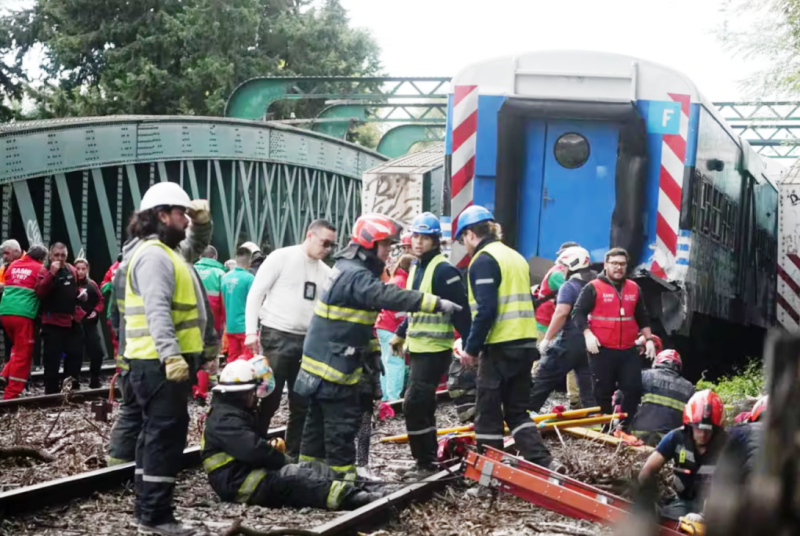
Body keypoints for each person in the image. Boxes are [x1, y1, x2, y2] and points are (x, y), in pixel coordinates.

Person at [293, 213, 462, 480]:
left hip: (322, 363)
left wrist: (372, 353)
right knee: (340, 429)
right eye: (385, 244)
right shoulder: (356, 275)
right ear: (369, 243)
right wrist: (435, 303)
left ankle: (309, 477)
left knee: (316, 428)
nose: (388, 250)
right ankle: (343, 485)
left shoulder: (346, 267)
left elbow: (358, 323)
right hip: (333, 368)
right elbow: (386, 294)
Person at [119, 181, 211, 536]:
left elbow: (195, 244)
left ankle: (146, 511)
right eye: (181, 214)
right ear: (161, 216)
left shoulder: (166, 251)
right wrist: (172, 356)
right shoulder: (155, 256)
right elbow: (156, 309)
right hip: (159, 363)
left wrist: (202, 223)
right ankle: (156, 517)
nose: (186, 220)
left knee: (153, 435)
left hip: (152, 362)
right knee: (165, 437)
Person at [202, 358, 385, 511]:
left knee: (311, 468)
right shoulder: (224, 420)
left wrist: (280, 457)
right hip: (241, 484)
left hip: (248, 473)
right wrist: (283, 460)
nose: (256, 397)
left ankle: (367, 485)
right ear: (242, 394)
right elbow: (253, 450)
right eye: (253, 392)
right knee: (298, 479)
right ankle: (356, 498)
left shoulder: (233, 412)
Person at [455, 206, 554, 470]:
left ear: (470, 234)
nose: (465, 246)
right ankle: (545, 463)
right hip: (525, 344)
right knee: (517, 411)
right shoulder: (515, 257)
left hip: (500, 346)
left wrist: (471, 348)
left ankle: (489, 475)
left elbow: (486, 310)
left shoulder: (483, 260)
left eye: (463, 239)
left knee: (487, 414)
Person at [243, 220, 337, 458]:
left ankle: (292, 455)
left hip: (307, 341)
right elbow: (256, 293)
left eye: (331, 245)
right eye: (324, 243)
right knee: (268, 397)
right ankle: (255, 448)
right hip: (277, 334)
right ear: (309, 235)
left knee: (301, 402)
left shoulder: (326, 272)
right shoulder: (281, 257)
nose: (327, 249)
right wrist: (250, 332)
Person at [390, 212, 472, 479]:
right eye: (416, 236)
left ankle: (425, 463)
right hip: (419, 347)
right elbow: (417, 306)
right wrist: (401, 332)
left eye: (425, 238)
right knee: (421, 405)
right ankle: (423, 461)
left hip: (434, 349)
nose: (418, 242)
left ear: (436, 241)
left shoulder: (443, 270)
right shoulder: (417, 267)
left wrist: (472, 346)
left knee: (415, 403)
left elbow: (461, 311)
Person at [572, 247, 657, 427]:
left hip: (628, 349)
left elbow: (642, 316)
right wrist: (587, 334)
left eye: (622, 264)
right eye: (615, 263)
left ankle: (624, 425)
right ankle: (606, 427)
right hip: (602, 350)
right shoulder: (593, 287)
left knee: (633, 389)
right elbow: (577, 313)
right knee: (602, 391)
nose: (619, 267)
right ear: (606, 264)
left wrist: (649, 339)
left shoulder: (634, 288)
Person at [638, 389, 728, 521]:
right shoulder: (675, 437)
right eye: (698, 428)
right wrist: (646, 499)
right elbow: (648, 470)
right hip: (682, 502)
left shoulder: (727, 445)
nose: (703, 434)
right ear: (689, 425)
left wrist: (705, 515)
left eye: (708, 430)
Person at [529, 246, 598, 414]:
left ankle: (524, 413)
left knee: (544, 376)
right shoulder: (596, 284)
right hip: (591, 341)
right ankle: (593, 417)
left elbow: (561, 313)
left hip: (570, 340)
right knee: (587, 384)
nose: (562, 269)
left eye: (565, 266)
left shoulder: (569, 286)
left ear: (574, 264)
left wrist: (547, 339)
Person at [532, 241, 580, 408]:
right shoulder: (559, 275)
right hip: (547, 322)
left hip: (550, 321)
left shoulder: (557, 271)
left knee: (561, 360)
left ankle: (574, 398)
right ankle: (530, 394)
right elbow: (575, 293)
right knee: (541, 360)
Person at [36, 242, 86, 394]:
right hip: (52, 321)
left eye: (63, 255)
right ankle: (51, 391)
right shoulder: (44, 270)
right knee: (52, 358)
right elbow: (40, 292)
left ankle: (70, 388)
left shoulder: (71, 269)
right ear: (50, 256)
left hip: (71, 320)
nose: (60, 258)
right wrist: (52, 273)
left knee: (75, 354)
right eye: (56, 255)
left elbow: (75, 288)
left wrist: (81, 294)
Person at [0, 245, 47, 398]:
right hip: (23, 314)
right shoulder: (40, 269)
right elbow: (43, 290)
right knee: (24, 355)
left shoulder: (13, 265)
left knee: (17, 348)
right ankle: (11, 393)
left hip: (5, 312)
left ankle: (4, 374)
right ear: (41, 258)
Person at [629, 349, 695, 446]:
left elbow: (623, 397)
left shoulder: (644, 376)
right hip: (671, 443)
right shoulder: (689, 388)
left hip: (639, 438)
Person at [374, 253, 414, 402]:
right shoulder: (403, 282)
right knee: (396, 364)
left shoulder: (395, 279)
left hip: (383, 326)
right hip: (392, 328)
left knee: (387, 363)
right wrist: (406, 324)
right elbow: (400, 311)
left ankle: (386, 397)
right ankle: (394, 399)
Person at [194, 245, 226, 402]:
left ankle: (193, 382)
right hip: (213, 320)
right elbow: (223, 301)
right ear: (215, 257)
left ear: (200, 256)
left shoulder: (190, 269)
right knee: (211, 351)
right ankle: (210, 381)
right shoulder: (220, 274)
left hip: (191, 319)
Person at [74, 259, 106, 389]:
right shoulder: (71, 283)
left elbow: (100, 300)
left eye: (83, 269)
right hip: (74, 324)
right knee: (75, 354)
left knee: (97, 352)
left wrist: (96, 311)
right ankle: (74, 381)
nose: (81, 272)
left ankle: (95, 379)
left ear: (87, 269)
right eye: (78, 269)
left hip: (89, 323)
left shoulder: (92, 284)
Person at [221, 246, 255, 361]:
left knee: (232, 358)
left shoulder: (225, 278)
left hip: (230, 327)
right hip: (246, 328)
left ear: (236, 259)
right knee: (248, 360)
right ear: (250, 261)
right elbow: (254, 302)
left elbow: (223, 301)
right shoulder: (250, 279)